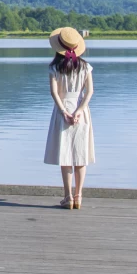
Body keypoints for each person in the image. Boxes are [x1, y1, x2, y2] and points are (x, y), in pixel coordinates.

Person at [43, 26, 95, 208]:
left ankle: (68, 197)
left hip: (62, 110)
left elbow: (54, 93)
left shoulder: (54, 67)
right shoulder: (85, 66)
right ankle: (78, 196)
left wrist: (64, 111)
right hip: (82, 111)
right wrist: (80, 110)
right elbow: (90, 92)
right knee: (80, 155)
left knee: (65, 155)